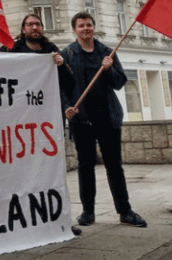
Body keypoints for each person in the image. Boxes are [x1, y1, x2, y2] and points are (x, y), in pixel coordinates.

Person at [0, 13, 80, 235]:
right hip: (19, 123)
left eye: (37, 24)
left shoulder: (52, 49)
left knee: (51, 173)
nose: (34, 27)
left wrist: (62, 65)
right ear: (23, 29)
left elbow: (69, 83)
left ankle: (58, 218)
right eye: (30, 24)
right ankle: (21, 218)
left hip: (47, 125)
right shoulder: (12, 49)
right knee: (19, 173)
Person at [61, 12, 147, 228]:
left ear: (94, 27)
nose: (85, 29)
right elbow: (61, 86)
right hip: (82, 120)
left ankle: (125, 211)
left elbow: (119, 82)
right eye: (81, 26)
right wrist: (66, 108)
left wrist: (109, 69)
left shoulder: (108, 52)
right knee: (85, 166)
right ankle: (87, 212)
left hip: (108, 118)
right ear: (75, 30)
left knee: (114, 166)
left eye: (89, 25)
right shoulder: (68, 54)